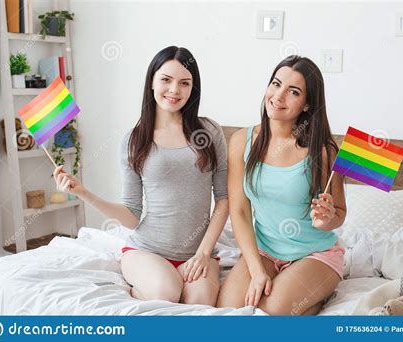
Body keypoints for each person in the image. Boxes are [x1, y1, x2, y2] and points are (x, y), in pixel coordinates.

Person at [53, 46, 228, 306]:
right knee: (166, 292)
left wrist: (203, 253)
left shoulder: (209, 132)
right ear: (152, 83)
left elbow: (224, 199)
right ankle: (137, 290)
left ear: (193, 89)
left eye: (184, 83)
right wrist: (83, 193)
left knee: (199, 304)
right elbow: (132, 216)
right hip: (147, 250)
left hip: (197, 252)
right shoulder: (134, 141)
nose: (174, 90)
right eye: (166, 80)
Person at [217, 55, 346, 315]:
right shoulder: (242, 141)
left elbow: (338, 214)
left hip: (314, 254)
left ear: (307, 104)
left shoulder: (323, 150)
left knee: (269, 312)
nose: (278, 95)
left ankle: (314, 299)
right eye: (276, 84)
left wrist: (326, 219)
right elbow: (240, 211)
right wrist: (255, 270)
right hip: (264, 251)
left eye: (293, 91)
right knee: (228, 310)